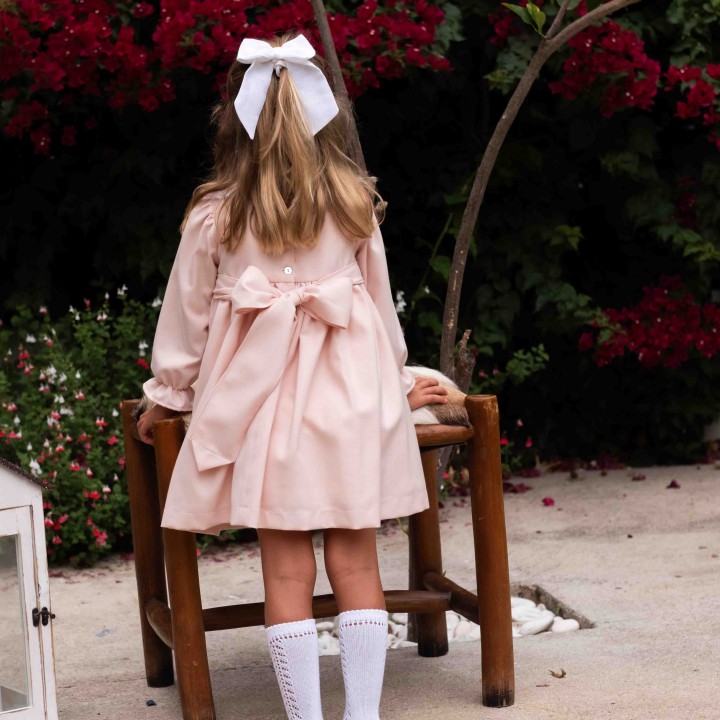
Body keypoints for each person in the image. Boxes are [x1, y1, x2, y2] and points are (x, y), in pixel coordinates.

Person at [136, 30, 448, 720]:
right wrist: (395, 384)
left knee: (285, 569)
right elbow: (379, 314)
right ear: (326, 117)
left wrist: (168, 395)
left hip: (262, 407)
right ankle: (360, 716)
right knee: (357, 562)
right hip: (348, 406)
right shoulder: (355, 204)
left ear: (234, 121)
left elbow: (185, 324)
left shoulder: (216, 214)